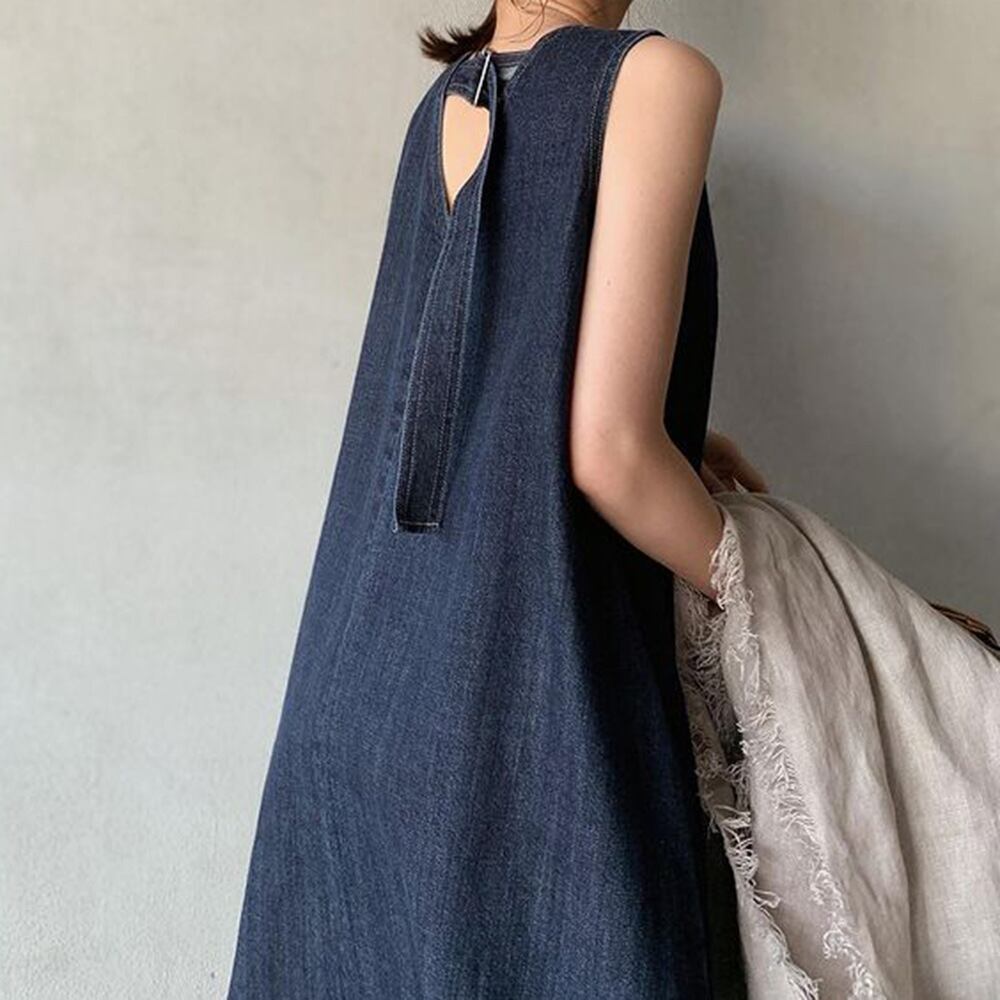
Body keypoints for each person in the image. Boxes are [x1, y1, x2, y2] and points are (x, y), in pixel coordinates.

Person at [226, 2, 766, 997]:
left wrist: (684, 443)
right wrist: (792, 603)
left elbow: (487, 388)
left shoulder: (445, 100)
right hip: (522, 725)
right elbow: (610, 456)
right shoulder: (654, 79)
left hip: (352, 714)